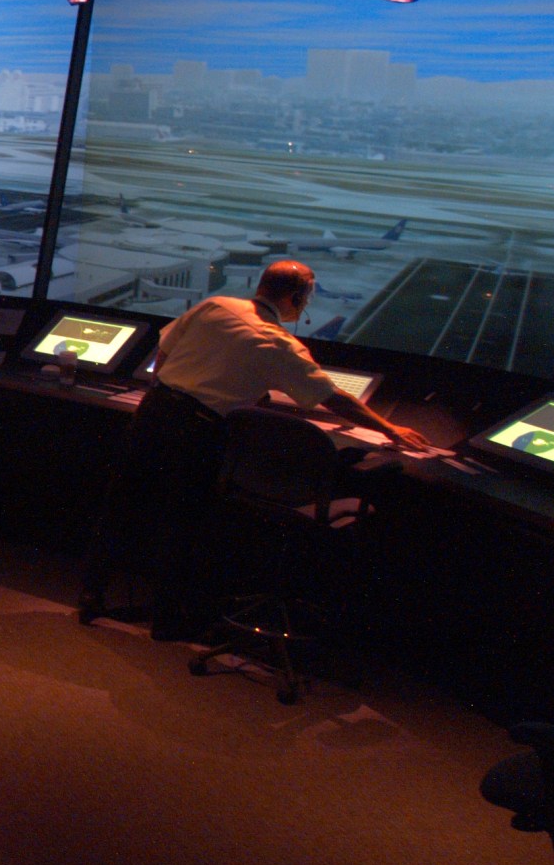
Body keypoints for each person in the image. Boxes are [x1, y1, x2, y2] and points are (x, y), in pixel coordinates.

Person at [78, 259, 431, 640]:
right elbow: (333, 399)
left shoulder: (213, 306)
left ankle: (91, 595)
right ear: (297, 297)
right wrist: (388, 427)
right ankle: (169, 621)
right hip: (198, 431)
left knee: (122, 504)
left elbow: (164, 351)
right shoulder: (279, 344)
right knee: (184, 525)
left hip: (154, 412)